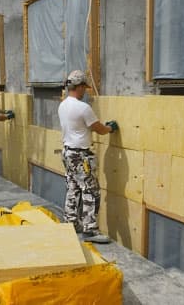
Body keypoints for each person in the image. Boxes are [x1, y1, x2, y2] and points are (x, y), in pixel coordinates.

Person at [57, 70, 118, 243]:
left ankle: (70, 222)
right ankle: (90, 230)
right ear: (80, 86)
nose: (85, 91)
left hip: (68, 152)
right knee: (90, 190)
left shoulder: (63, 105)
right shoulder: (83, 108)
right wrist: (110, 128)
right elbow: (99, 128)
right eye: (84, 87)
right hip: (80, 156)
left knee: (73, 187)